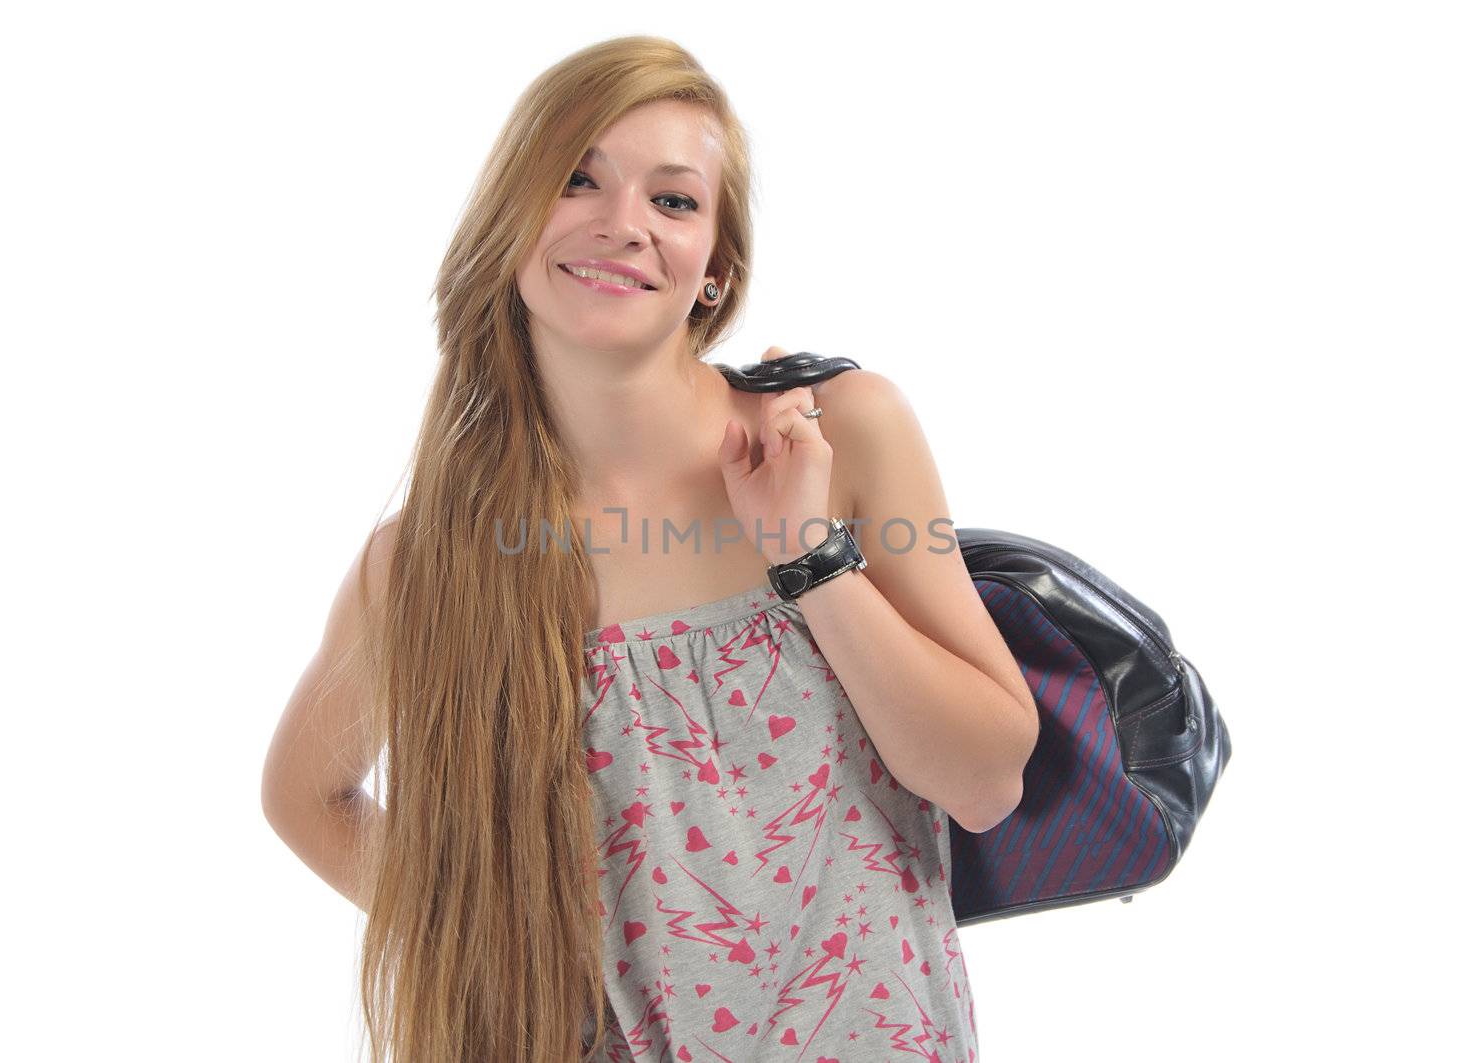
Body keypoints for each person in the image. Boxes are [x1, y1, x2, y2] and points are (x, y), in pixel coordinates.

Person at [261, 34, 1039, 1063]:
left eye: (672, 200)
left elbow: (984, 779)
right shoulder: (427, 562)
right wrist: (492, 940)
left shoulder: (838, 432)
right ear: (511, 224)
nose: (622, 223)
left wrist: (806, 553)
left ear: (714, 271)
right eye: (577, 179)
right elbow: (304, 797)